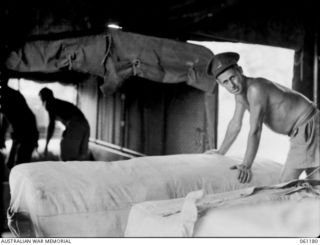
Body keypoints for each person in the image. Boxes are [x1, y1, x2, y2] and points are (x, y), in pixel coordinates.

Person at [206, 52, 320, 183]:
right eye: (225, 82)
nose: (232, 85)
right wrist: (221, 151)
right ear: (220, 84)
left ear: (240, 71)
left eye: (233, 78)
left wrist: (246, 165)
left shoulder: (255, 89)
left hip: (308, 125)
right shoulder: (239, 95)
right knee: (316, 184)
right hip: (307, 126)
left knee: (285, 184)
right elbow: (235, 124)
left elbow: (255, 130)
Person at [39, 87, 90, 161]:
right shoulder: (58, 103)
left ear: (44, 97)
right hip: (85, 125)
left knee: (66, 156)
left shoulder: (49, 103)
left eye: (40, 96)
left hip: (76, 125)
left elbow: (51, 126)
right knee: (80, 156)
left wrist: (46, 146)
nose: (40, 99)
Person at [0, 75, 39, 169]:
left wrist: (2, 136)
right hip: (22, 133)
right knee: (12, 163)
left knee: (19, 165)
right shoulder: (10, 94)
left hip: (26, 133)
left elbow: (7, 118)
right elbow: (7, 118)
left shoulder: (9, 95)